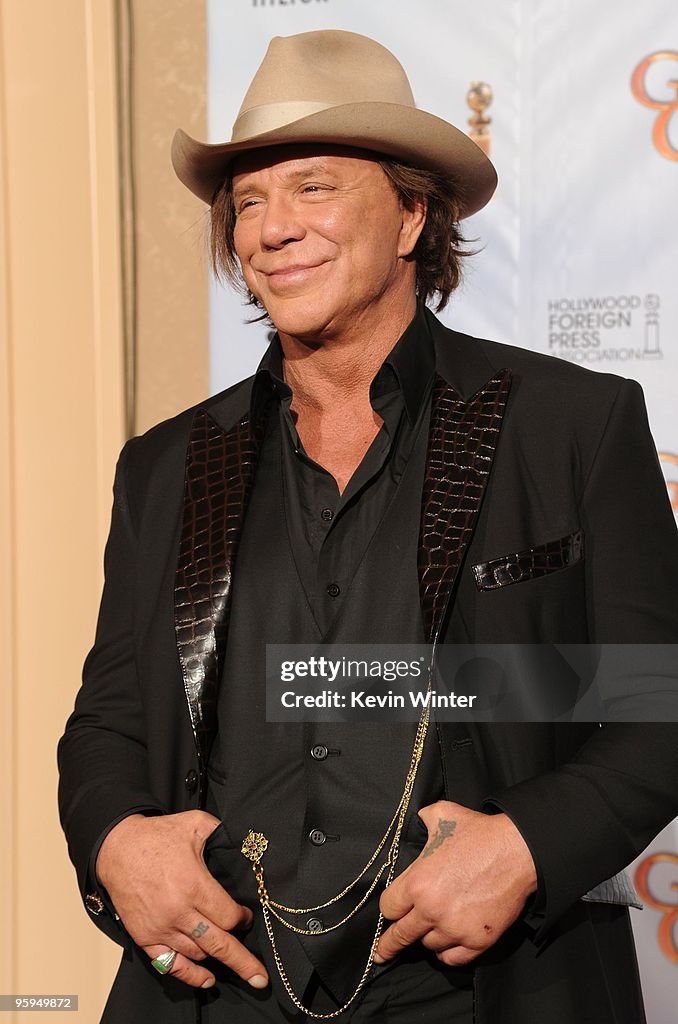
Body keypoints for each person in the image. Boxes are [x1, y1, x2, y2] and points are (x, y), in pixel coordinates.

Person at [58, 29, 678, 1024]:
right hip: (223, 990)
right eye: (248, 201)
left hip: (488, 992)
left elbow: (657, 704)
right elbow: (110, 721)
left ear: (409, 216)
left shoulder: (572, 425)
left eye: (311, 187)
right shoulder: (167, 466)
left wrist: (525, 844)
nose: (270, 228)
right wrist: (116, 843)